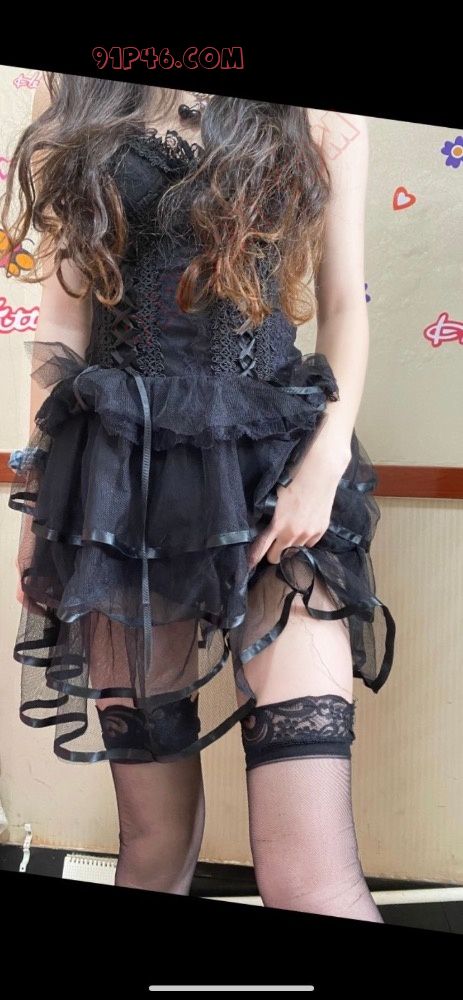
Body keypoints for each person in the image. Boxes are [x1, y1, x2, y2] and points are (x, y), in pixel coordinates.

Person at [2, 75, 396, 920]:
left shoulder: (319, 117)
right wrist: (41, 501)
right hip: (119, 490)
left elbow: (342, 307)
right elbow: (63, 325)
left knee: (307, 877)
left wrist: (321, 468)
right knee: (152, 850)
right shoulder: (74, 94)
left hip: (276, 473)